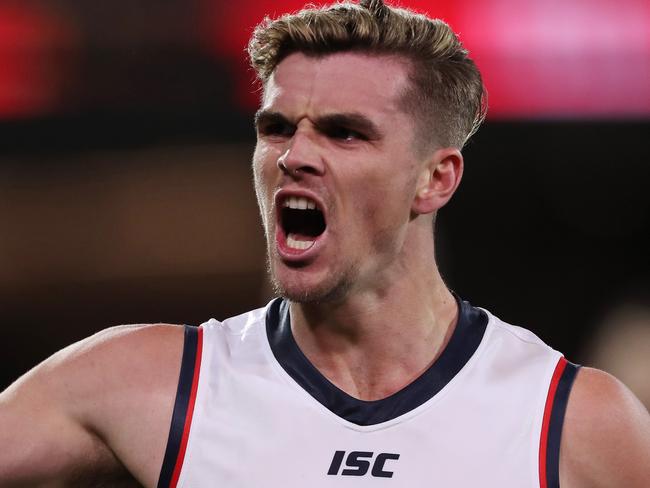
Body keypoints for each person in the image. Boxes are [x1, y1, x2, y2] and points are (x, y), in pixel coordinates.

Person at [1, 0, 649, 486]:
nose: (294, 157)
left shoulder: (567, 419)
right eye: (278, 128)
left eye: (344, 133)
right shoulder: (143, 384)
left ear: (436, 178)